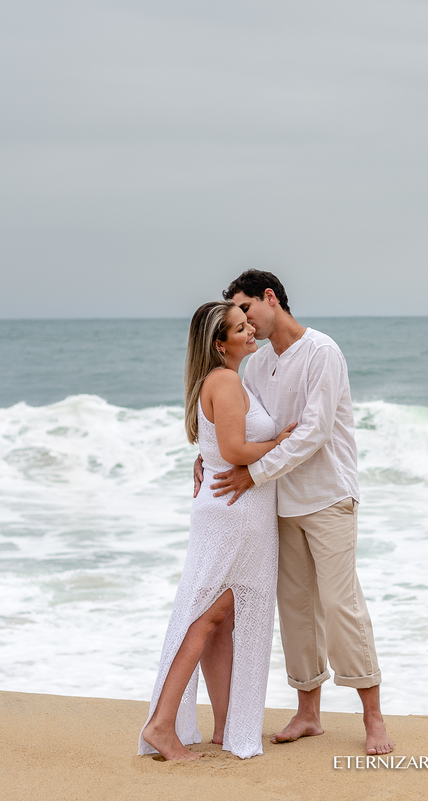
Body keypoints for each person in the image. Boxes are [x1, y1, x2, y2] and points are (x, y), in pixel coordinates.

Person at [197, 269, 394, 756]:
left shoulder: (322, 352)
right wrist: (208, 455)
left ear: (271, 298)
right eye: (237, 315)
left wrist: (254, 474)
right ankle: (309, 713)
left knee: (341, 605)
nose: (243, 321)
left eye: (246, 309)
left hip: (328, 497)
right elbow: (246, 425)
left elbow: (313, 432)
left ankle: (373, 718)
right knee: (296, 610)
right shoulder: (257, 365)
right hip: (280, 505)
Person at [139, 301, 295, 761]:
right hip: (235, 510)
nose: (251, 332)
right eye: (241, 328)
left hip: (231, 509)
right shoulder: (225, 381)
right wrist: (281, 443)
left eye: (250, 324)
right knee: (210, 614)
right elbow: (233, 448)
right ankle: (162, 724)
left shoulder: (225, 380)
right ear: (219, 343)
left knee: (220, 617)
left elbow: (217, 445)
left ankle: (225, 728)